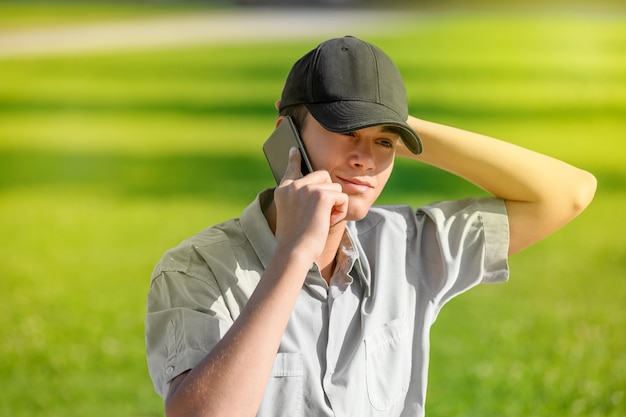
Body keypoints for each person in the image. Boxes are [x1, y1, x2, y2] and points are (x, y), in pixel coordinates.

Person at [145, 36, 596, 417]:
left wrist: (398, 121)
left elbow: (568, 193)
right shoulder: (195, 270)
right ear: (287, 132)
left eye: (384, 142)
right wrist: (293, 255)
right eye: (347, 131)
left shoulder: (409, 247)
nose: (365, 160)